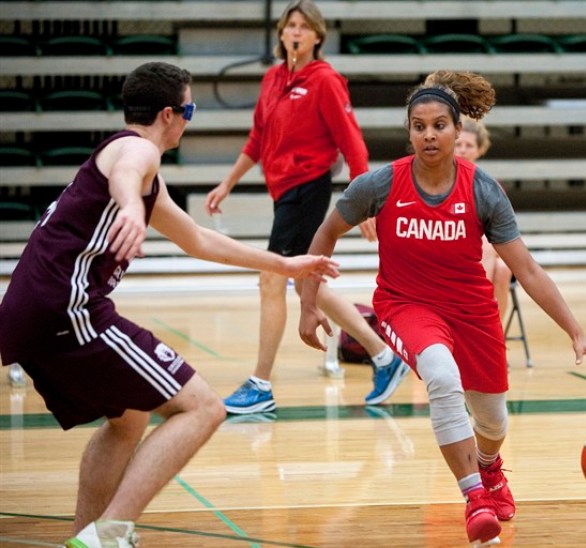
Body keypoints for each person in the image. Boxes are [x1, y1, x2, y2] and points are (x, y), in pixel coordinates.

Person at [0, 61, 339, 548]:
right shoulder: (135, 150)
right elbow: (128, 173)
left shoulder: (135, 169)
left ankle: (86, 538)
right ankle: (112, 531)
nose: (188, 119)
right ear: (168, 114)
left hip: (29, 312)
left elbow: (199, 240)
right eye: (190, 110)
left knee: (130, 416)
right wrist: (131, 206)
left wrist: (286, 266)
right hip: (66, 309)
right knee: (203, 408)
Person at [298, 70, 586, 546]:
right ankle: (474, 499)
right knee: (443, 379)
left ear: (457, 131)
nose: (429, 134)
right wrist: (307, 304)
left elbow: (526, 269)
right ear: (409, 131)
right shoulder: (379, 185)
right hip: (406, 306)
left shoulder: (483, 189)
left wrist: (577, 330)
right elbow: (323, 236)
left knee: (493, 421)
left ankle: (489, 470)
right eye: (420, 126)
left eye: (439, 125)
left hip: (472, 311)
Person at [205, 0, 408, 415]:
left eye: (303, 26)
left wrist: (366, 201)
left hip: (308, 188)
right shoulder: (272, 79)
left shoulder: (326, 80)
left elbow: (352, 143)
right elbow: (257, 140)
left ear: (317, 36)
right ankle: (384, 356)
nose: (295, 32)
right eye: (289, 25)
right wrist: (228, 182)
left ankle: (260, 383)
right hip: (283, 192)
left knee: (271, 277)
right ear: (280, 34)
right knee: (305, 281)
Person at [454, 117, 513, 321]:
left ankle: (492, 331)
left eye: (469, 145)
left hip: (483, 251)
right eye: (458, 144)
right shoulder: (442, 181)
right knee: (493, 257)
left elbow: (502, 230)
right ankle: (479, 320)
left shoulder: (490, 186)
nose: (462, 149)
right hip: (454, 248)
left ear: (479, 150)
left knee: (503, 267)